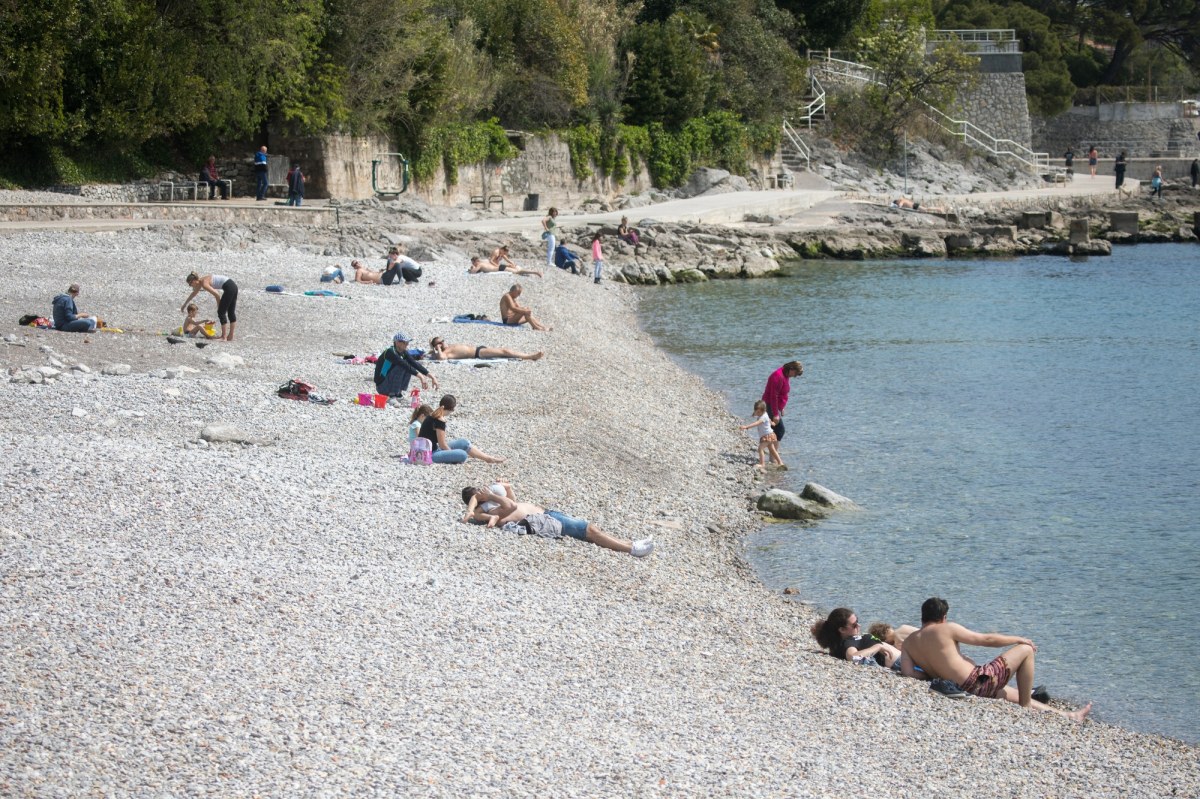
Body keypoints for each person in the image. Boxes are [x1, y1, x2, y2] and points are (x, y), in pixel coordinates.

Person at [901, 597, 1091, 721]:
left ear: (922, 617)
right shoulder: (946, 628)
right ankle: (1025, 707)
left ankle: (1067, 715)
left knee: (1014, 694)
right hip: (977, 682)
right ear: (944, 617)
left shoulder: (909, 642)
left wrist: (931, 674)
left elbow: (908, 673)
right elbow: (986, 640)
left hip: (960, 688)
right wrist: (1018, 639)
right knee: (1026, 650)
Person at [459, 482, 654, 557]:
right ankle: (632, 550)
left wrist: (504, 488)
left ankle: (630, 544)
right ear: (477, 500)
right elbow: (512, 507)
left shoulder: (493, 504)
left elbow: (513, 499)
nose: (484, 490)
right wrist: (490, 496)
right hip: (544, 520)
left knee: (590, 530)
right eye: (480, 492)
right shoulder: (489, 510)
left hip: (547, 513)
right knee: (590, 530)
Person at [418, 394, 505, 464]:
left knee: (464, 442)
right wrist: (451, 452)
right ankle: (489, 459)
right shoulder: (440, 420)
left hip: (428, 450)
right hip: (430, 455)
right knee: (463, 454)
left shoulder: (431, 415)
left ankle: (488, 458)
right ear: (451, 409)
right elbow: (442, 445)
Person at [810, 607, 901, 668]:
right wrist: (878, 647)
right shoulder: (848, 643)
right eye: (854, 625)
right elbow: (853, 657)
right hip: (899, 662)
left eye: (857, 621)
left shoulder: (850, 639)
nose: (859, 625)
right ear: (842, 630)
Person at [374, 331, 438, 397]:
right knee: (403, 366)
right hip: (381, 386)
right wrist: (421, 377)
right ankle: (392, 395)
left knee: (409, 366)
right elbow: (404, 365)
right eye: (405, 342)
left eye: (407, 342)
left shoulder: (403, 352)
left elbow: (414, 363)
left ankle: (398, 393)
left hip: (387, 383)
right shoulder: (390, 352)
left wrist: (432, 377)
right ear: (397, 342)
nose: (407, 344)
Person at [181, 272, 238, 341]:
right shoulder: (200, 282)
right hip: (233, 286)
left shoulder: (204, 283)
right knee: (231, 312)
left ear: (194, 281)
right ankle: (230, 336)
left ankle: (223, 337)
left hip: (229, 288)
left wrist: (219, 307)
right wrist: (184, 304)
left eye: (190, 284)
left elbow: (217, 294)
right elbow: (193, 294)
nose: (190, 286)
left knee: (221, 313)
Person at [762, 360, 803, 442]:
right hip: (769, 404)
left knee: (773, 430)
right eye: (795, 374)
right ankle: (768, 448)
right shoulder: (778, 376)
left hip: (775, 406)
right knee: (780, 431)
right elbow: (773, 396)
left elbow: (782, 393)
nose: (795, 376)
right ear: (791, 369)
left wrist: (781, 408)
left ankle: (768, 447)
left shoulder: (785, 374)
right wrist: (776, 414)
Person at [738, 399, 785, 471]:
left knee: (760, 449)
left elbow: (757, 423)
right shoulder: (765, 414)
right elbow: (769, 419)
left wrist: (746, 427)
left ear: (764, 410)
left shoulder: (763, 417)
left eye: (759, 412)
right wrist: (772, 423)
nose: (757, 413)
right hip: (771, 435)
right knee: (772, 449)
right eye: (756, 411)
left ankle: (762, 464)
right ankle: (780, 462)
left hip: (767, 436)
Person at [428, 336, 544, 361]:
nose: (443, 343)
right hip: (478, 353)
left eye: (443, 340)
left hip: (479, 349)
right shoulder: (445, 352)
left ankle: (527, 356)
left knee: (504, 351)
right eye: (440, 343)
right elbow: (441, 358)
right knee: (504, 351)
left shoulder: (449, 347)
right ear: (437, 346)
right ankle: (530, 356)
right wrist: (438, 349)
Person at [470, 254, 542, 277]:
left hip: (500, 268)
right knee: (516, 270)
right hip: (500, 267)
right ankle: (534, 272)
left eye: (473, 263)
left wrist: (472, 268)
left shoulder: (479, 264)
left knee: (518, 272)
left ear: (476, 261)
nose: (473, 264)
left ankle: (535, 272)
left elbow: (473, 272)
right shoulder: (483, 261)